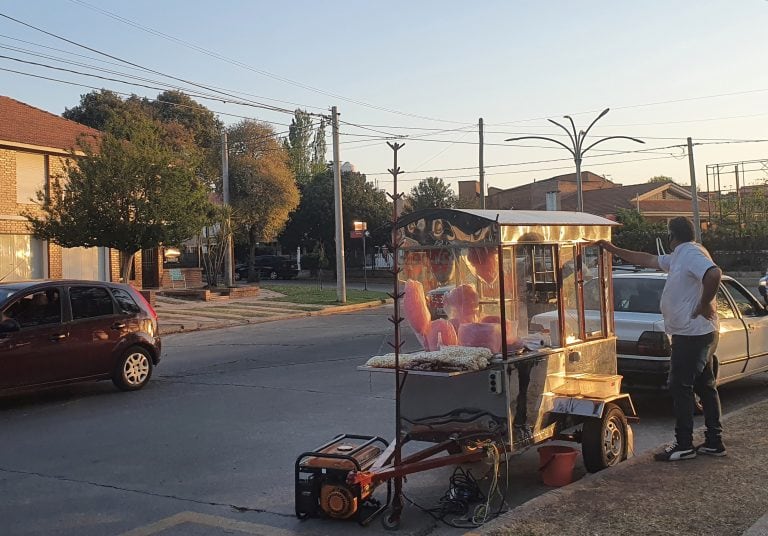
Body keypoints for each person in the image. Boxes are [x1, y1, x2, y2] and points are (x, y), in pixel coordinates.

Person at [598, 216, 726, 461]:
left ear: (671, 236)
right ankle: (713, 441)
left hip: (692, 334)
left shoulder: (689, 254)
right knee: (704, 386)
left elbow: (714, 274)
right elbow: (646, 259)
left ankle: (684, 445)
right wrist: (612, 249)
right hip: (695, 332)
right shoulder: (681, 255)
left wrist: (704, 303)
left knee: (680, 386)